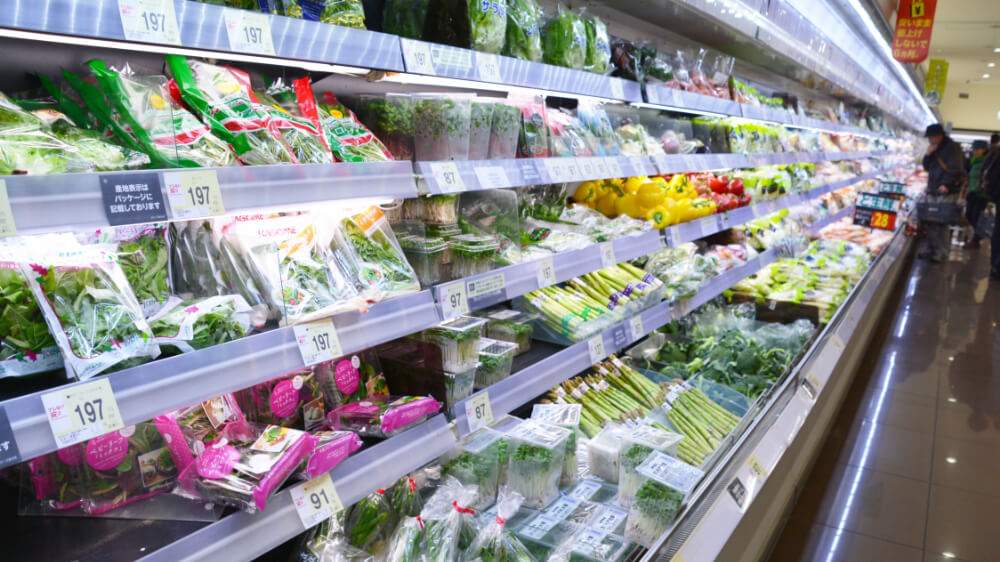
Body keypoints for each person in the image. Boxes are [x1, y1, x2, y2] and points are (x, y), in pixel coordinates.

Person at [920, 123, 966, 263]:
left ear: (939, 136)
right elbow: (926, 167)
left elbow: (956, 167)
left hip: (945, 190)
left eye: (931, 137)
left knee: (941, 222)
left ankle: (941, 252)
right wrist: (928, 154)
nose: (929, 140)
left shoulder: (953, 148)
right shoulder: (935, 147)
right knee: (931, 220)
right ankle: (933, 249)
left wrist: (946, 184)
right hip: (933, 189)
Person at [963, 140, 990, 249]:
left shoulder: (986, 162)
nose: (974, 151)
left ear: (984, 150)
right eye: (973, 149)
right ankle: (979, 235)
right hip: (972, 193)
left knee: (975, 217)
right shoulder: (974, 161)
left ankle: (977, 239)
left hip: (981, 194)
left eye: (977, 149)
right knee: (969, 215)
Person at [981, 141, 1000, 279]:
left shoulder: (994, 152)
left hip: (996, 197)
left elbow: (984, 171)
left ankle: (995, 268)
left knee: (997, 232)